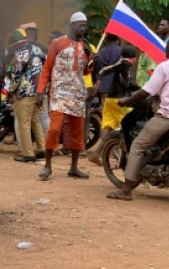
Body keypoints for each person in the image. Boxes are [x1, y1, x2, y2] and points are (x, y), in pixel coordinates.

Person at [106, 35, 169, 201]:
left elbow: (145, 92)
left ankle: (126, 190)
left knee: (137, 146)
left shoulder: (165, 67)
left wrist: (126, 101)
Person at [37, 12, 92, 180]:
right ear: (71, 26)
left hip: (77, 92)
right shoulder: (57, 43)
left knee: (77, 131)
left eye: (85, 25)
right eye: (79, 25)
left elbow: (84, 71)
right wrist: (40, 90)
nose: (83, 29)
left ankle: (74, 167)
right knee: (54, 129)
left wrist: (91, 63)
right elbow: (47, 67)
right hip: (59, 91)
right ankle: (47, 166)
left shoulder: (86, 46)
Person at [88, 37, 135, 166]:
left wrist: (99, 79)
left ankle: (97, 153)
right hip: (118, 100)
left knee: (108, 126)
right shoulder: (124, 64)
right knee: (130, 125)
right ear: (132, 57)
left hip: (109, 98)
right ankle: (127, 154)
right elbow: (107, 70)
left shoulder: (120, 62)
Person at [8, 27, 47, 162]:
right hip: (38, 91)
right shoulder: (38, 50)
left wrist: (10, 91)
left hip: (24, 92)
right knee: (35, 120)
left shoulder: (20, 53)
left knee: (24, 123)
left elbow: (16, 75)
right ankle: (42, 149)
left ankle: (28, 153)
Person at [136, 16, 169, 87]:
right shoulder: (158, 42)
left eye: (163, 25)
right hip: (151, 79)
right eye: (159, 25)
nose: (159, 27)